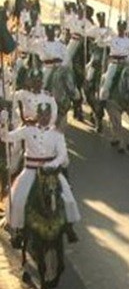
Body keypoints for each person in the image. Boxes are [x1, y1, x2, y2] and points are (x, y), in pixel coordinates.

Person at [0, 104, 80, 248]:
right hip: (31, 170)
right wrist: (3, 123)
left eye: (47, 115)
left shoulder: (57, 133)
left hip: (50, 172)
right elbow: (6, 138)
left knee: (68, 198)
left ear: (51, 116)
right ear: (37, 115)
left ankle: (69, 228)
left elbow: (62, 154)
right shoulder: (28, 130)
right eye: (41, 115)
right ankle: (18, 230)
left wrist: (52, 165)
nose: (44, 118)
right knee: (18, 199)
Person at [99, 20, 129, 102]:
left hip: (125, 63)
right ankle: (102, 102)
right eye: (119, 28)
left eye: (123, 28)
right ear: (117, 28)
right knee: (107, 82)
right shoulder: (112, 39)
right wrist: (103, 37)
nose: (121, 30)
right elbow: (101, 44)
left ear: (125, 29)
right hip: (114, 63)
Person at [38, 25, 68, 89]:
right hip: (48, 66)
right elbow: (42, 57)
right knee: (43, 82)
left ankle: (75, 95)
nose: (50, 33)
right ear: (46, 32)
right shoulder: (42, 43)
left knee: (68, 79)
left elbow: (65, 56)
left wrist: (62, 65)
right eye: (48, 31)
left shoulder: (60, 43)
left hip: (59, 66)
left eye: (51, 31)